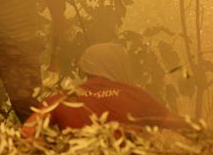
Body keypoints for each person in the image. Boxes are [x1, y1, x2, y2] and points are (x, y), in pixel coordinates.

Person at [24, 43, 188, 134]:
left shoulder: (61, 99)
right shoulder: (134, 95)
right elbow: (181, 124)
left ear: (86, 68)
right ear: (121, 65)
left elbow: (27, 132)